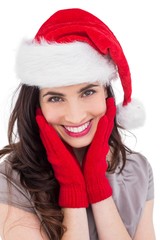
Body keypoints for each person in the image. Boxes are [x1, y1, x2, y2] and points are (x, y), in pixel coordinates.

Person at [0, 8, 155, 240]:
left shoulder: (137, 169)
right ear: (37, 106)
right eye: (55, 98)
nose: (74, 116)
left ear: (107, 95)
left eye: (88, 92)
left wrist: (97, 186)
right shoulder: (12, 178)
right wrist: (72, 188)